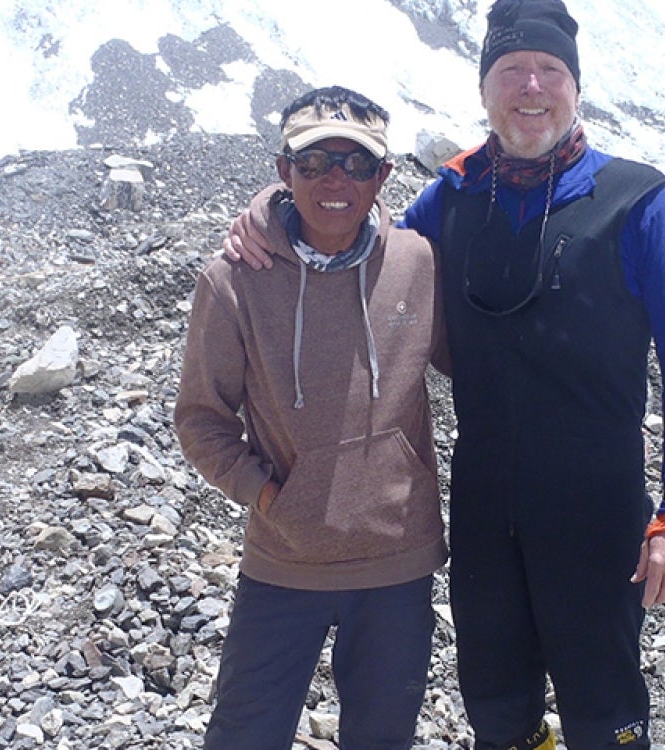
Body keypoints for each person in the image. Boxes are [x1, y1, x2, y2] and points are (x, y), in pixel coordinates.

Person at [224, 1, 665, 745]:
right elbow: (355, 234)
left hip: (597, 510)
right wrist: (271, 208)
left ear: (575, 88)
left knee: (603, 711)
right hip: (485, 510)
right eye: (511, 71)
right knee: (495, 708)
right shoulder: (454, 197)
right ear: (485, 91)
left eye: (550, 71)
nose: (531, 88)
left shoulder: (639, 201)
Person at [174, 85, 448, 749]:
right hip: (284, 560)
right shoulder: (234, 278)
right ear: (282, 171)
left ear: (383, 176)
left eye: (357, 164)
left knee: (382, 739)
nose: (335, 180)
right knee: (243, 735)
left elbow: (480, 369)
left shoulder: (417, 263)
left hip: (396, 565)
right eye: (314, 162)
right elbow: (201, 420)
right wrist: (269, 497)